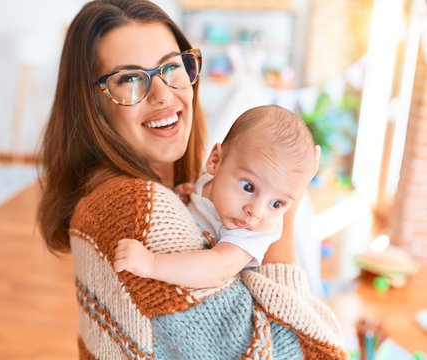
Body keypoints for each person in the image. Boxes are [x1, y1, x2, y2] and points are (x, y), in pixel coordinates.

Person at [38, 0, 347, 358]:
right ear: (92, 104)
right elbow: (300, 353)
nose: (163, 94)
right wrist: (286, 203)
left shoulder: (168, 193)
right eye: (130, 78)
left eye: (170, 67)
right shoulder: (135, 209)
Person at [113, 105, 321, 289]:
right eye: (248, 186)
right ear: (215, 161)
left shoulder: (249, 236)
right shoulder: (214, 183)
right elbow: (202, 197)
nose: (255, 212)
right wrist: (190, 192)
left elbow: (216, 270)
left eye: (277, 203)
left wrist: (151, 264)